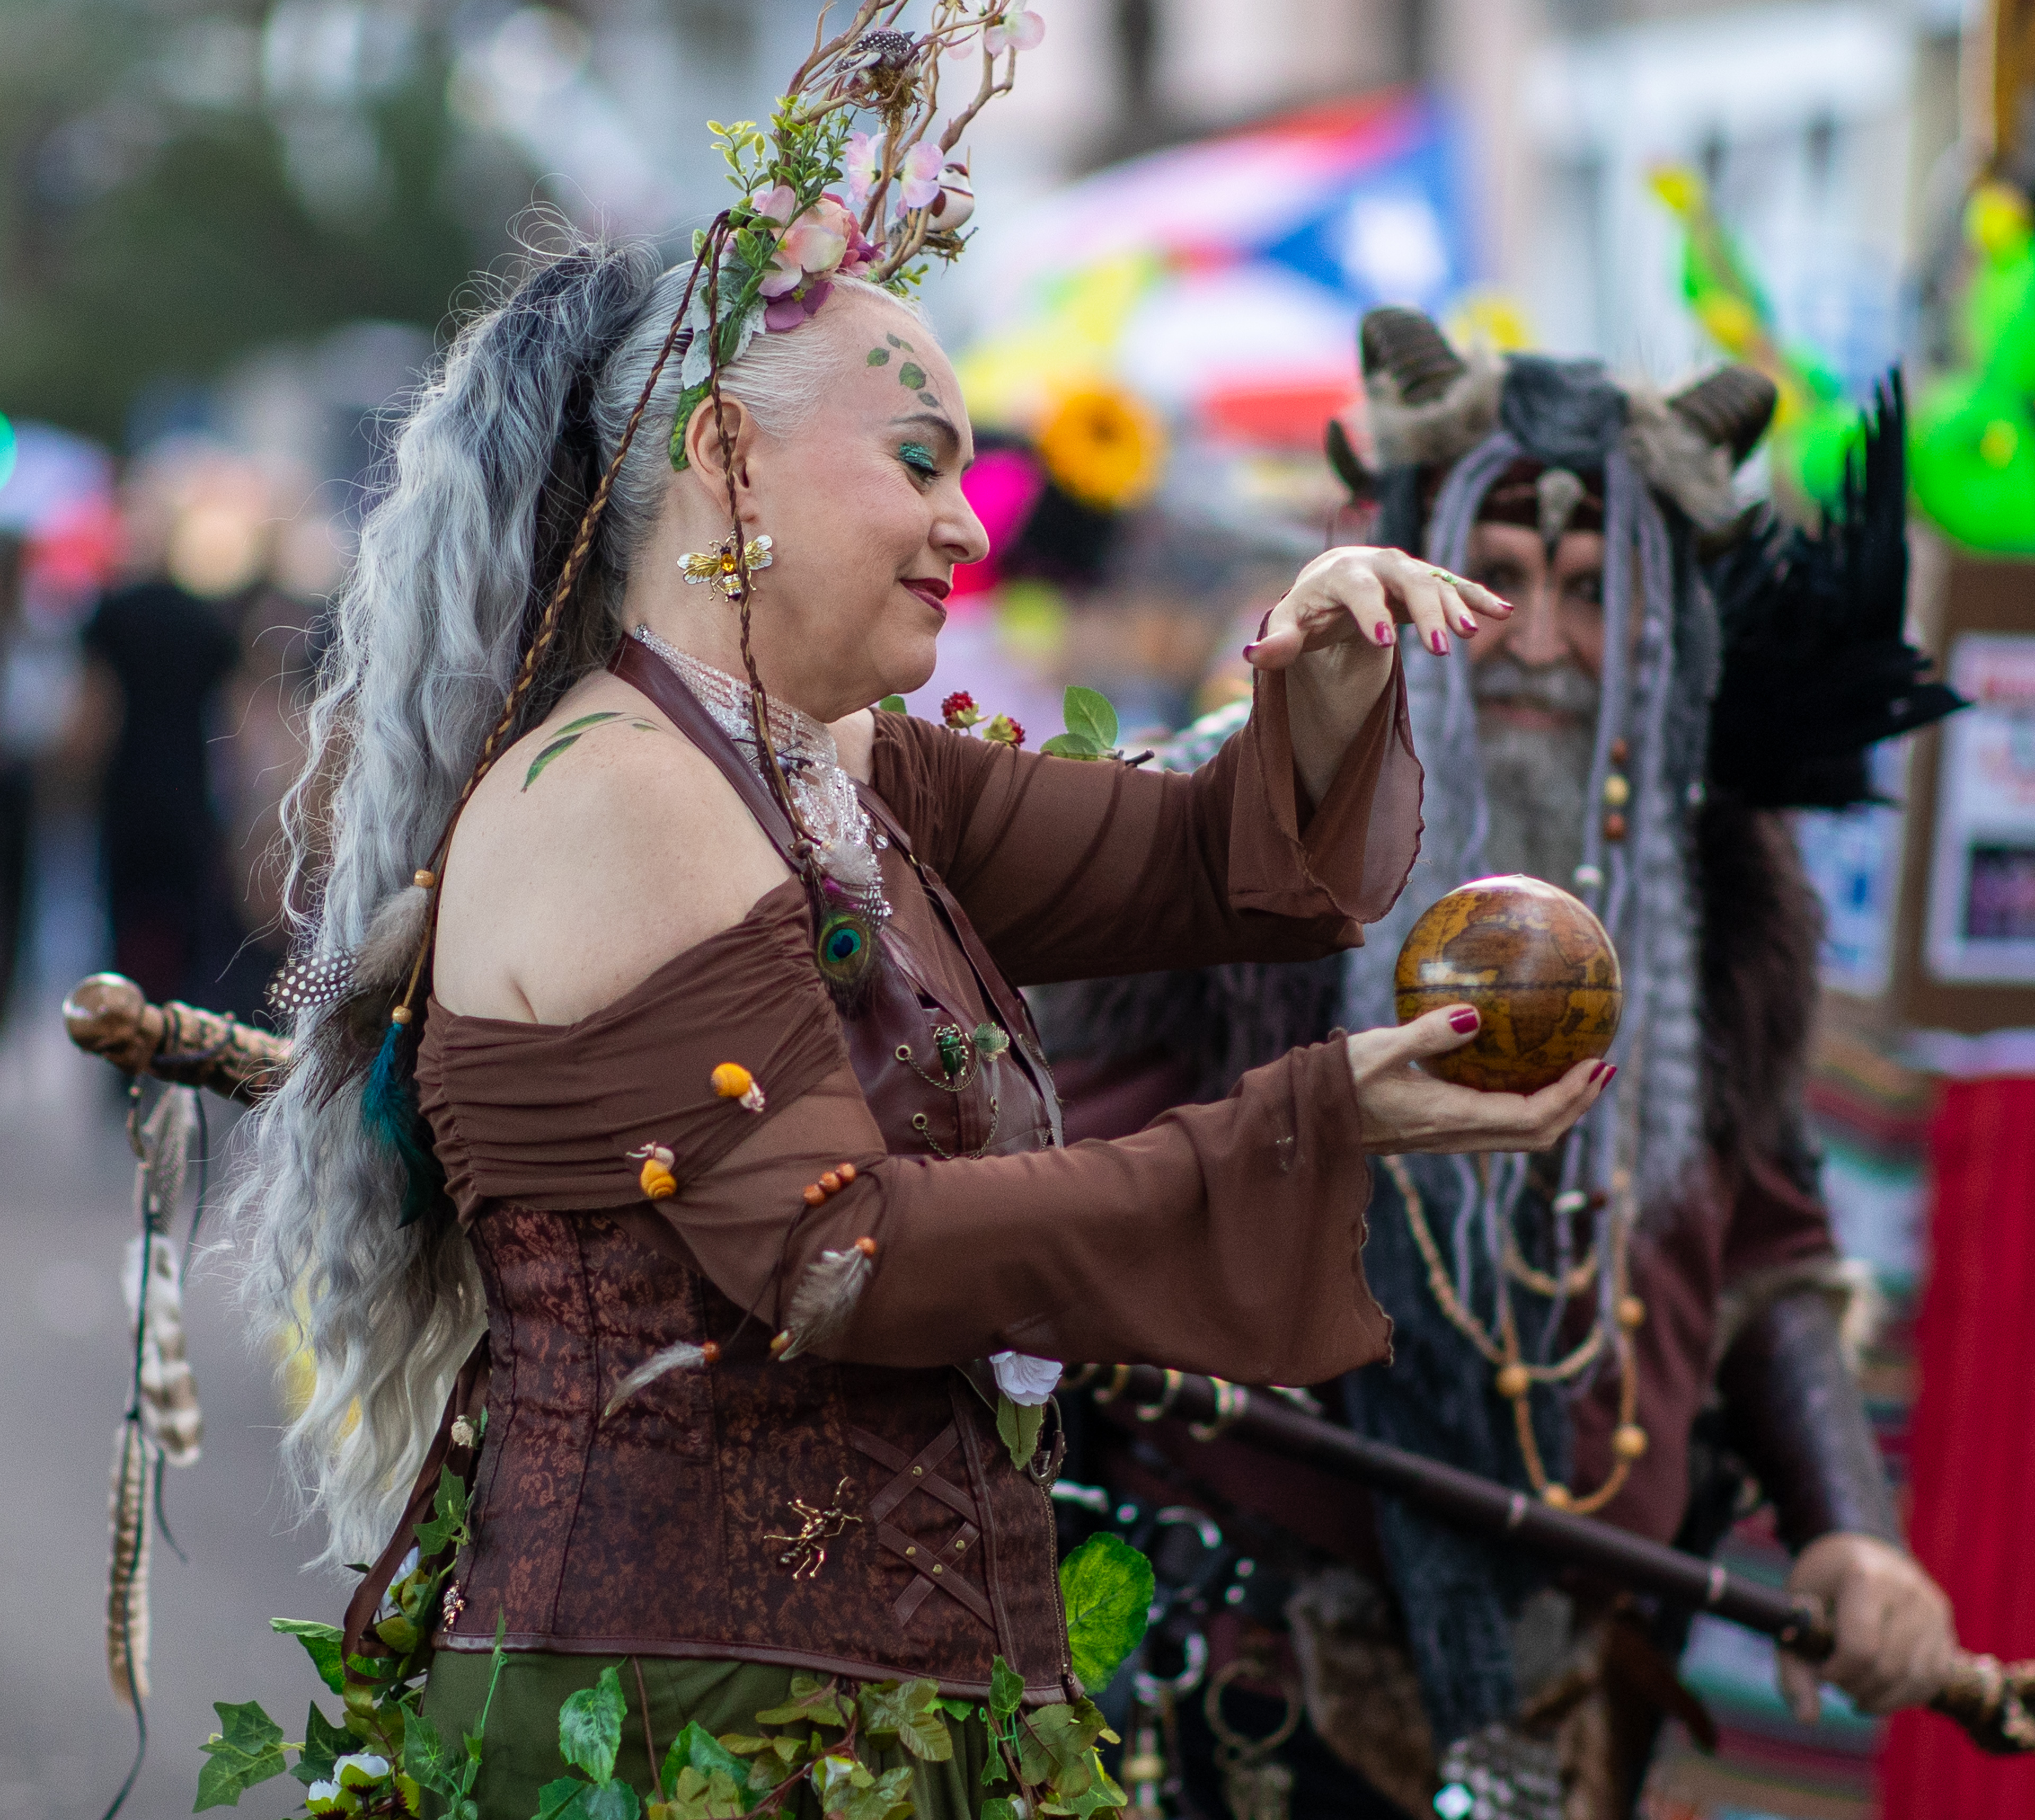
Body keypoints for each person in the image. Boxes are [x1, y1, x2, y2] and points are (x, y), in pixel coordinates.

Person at [223, 111, 1623, 1814]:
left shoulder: (829, 761)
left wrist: (1324, 668)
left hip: (893, 1718)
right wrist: (1320, 1116)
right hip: (676, 1741)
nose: (969, 523)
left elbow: (1195, 859)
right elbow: (846, 1253)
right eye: (920, 462)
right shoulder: (617, 792)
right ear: (729, 457)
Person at [1041, 312, 1963, 1818]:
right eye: (1499, 577)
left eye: (1594, 590)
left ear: (1663, 634)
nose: (1536, 640)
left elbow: (1764, 1250)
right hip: (1251, 1674)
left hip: (1579, 1683)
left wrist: (1849, 1528)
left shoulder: (1721, 892)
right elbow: (1058, 1199)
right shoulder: (1232, 835)